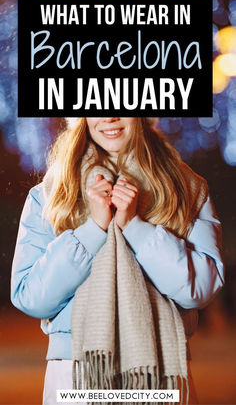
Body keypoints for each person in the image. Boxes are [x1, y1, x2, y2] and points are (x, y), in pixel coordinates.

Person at [11, 117, 224, 405]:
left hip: (159, 370)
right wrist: (92, 231)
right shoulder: (51, 193)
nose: (110, 116)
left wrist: (135, 226)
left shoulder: (187, 189)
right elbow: (30, 296)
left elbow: (201, 288)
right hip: (77, 372)